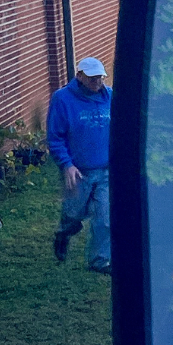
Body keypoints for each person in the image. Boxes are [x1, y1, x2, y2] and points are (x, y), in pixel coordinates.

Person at [47, 57, 113, 273]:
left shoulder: (110, 97)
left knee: (105, 218)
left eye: (100, 78)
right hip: (78, 171)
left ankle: (99, 260)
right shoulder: (63, 99)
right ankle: (64, 234)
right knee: (74, 215)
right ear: (80, 76)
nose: (97, 82)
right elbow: (55, 137)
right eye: (92, 78)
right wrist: (66, 165)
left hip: (105, 170)